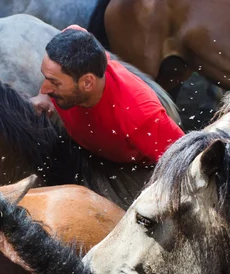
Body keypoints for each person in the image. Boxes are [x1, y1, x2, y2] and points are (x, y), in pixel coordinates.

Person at [30, 25, 184, 208]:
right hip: (83, 145)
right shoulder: (74, 41)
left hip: (126, 170)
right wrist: (43, 97)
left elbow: (186, 164)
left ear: (87, 82)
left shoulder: (140, 116)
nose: (46, 87)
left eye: (55, 83)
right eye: (46, 78)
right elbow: (74, 29)